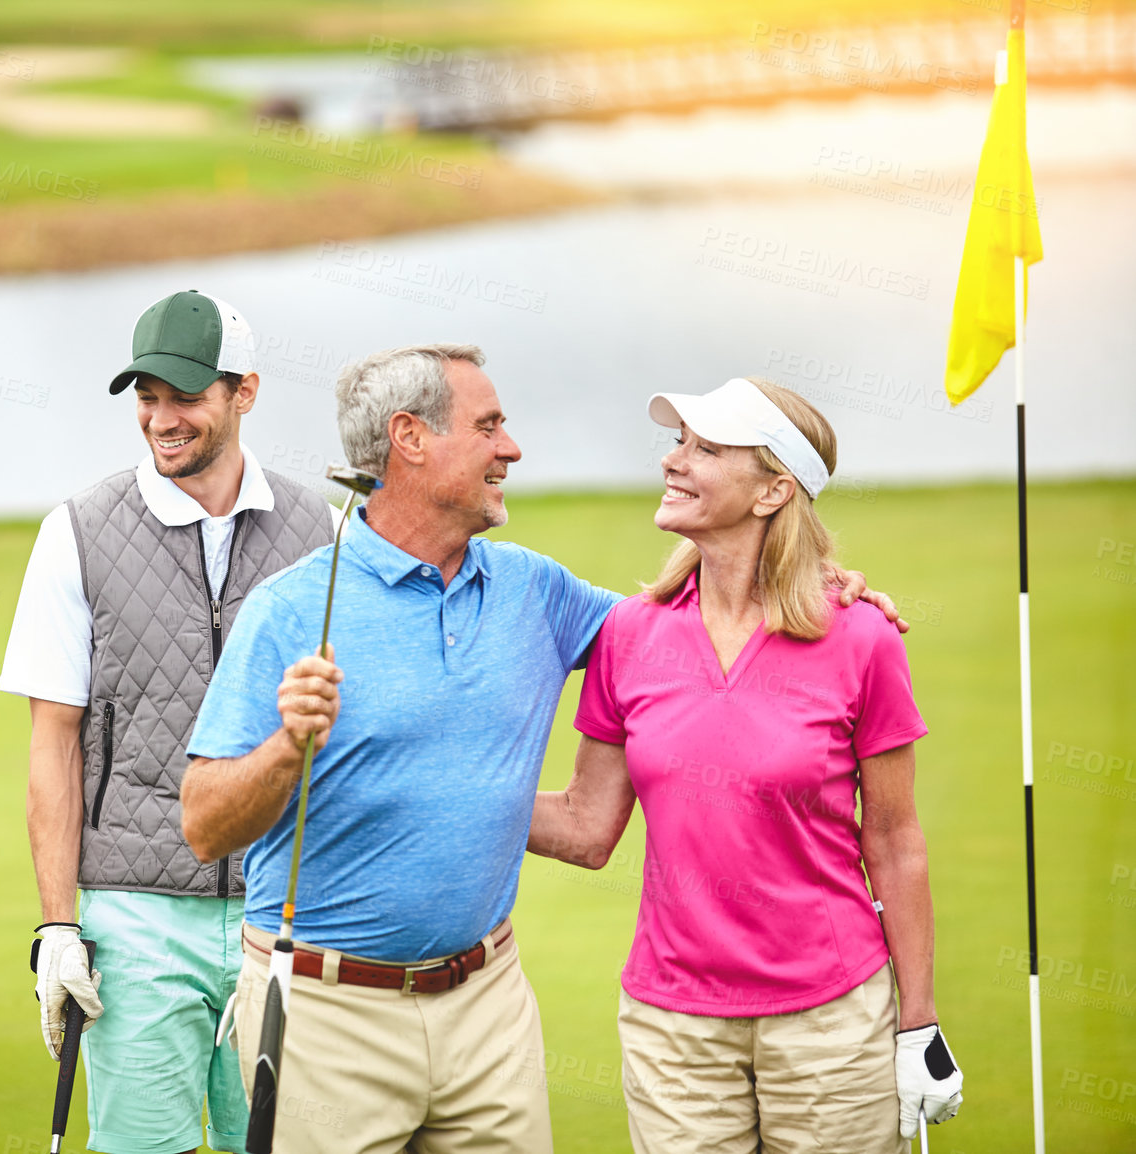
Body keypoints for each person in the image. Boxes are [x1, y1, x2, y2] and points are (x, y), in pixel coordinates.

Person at [180, 347, 905, 1154]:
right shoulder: (289, 609)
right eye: (489, 427)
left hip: (487, 1005)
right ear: (410, 438)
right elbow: (207, 827)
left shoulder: (536, 591)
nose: (512, 449)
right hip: (328, 1010)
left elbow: (693, 629)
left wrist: (825, 581)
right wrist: (288, 746)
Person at [525, 376, 963, 1153]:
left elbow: (894, 840)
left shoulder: (862, 638)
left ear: (773, 491)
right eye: (678, 443)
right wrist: (426, 787)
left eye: (706, 449)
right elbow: (588, 827)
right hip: (673, 1030)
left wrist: (918, 1023)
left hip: (831, 1024)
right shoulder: (631, 632)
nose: (673, 461)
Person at [0, 290, 337, 1154]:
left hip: (285, 911)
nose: (160, 417)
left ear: (244, 392)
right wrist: (57, 926)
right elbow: (54, 741)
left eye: (184, 395)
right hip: (136, 914)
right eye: (146, 395)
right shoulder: (75, 531)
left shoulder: (324, 532)